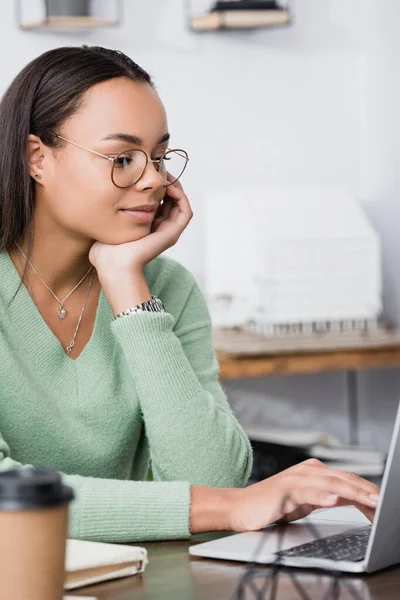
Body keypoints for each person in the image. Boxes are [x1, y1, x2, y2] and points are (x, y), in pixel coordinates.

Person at [0, 46, 379, 543]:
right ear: (37, 159)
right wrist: (235, 505)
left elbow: (209, 478)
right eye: (123, 158)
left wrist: (127, 285)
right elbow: (9, 504)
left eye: (158, 157)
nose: (154, 179)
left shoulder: (166, 287)